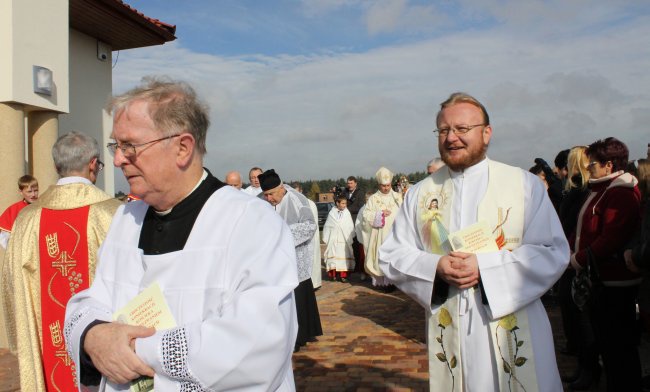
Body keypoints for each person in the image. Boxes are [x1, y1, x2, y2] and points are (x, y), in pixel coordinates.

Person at [64, 79, 299, 391]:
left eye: (129, 146)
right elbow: (94, 297)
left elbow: (258, 343)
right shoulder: (126, 217)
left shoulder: (251, 222)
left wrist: (130, 349)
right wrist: (93, 335)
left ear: (182, 148)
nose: (118, 159)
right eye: (115, 146)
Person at [379, 92, 569, 391]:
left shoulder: (523, 185)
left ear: (486, 132)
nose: (451, 138)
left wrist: (486, 267)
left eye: (462, 129)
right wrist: (436, 266)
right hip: (450, 324)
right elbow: (391, 255)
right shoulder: (420, 193)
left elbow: (553, 251)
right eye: (443, 130)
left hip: (513, 319)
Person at [1, 132, 122, 392]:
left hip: (47, 343)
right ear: (93, 164)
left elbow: (11, 283)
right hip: (103, 349)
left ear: (57, 167)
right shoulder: (112, 213)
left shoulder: (27, 219)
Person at [570, 137, 641, 391]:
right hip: (602, 280)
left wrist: (577, 259)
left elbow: (611, 237)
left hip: (615, 283)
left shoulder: (620, 192)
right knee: (609, 345)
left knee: (618, 347)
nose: (589, 168)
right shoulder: (603, 189)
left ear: (609, 165)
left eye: (593, 164)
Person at [259, 169, 322, 352]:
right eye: (266, 195)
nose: (269, 199)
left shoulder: (297, 200)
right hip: (273, 261)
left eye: (271, 194)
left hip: (295, 258)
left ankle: (299, 336)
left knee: (298, 298)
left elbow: (309, 225)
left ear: (280, 188)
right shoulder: (261, 202)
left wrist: (282, 235)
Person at [556, 146, 591, 365]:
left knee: (579, 314)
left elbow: (570, 220)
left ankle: (586, 361)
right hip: (570, 251)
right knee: (571, 308)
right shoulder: (577, 189)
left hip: (575, 254)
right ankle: (582, 359)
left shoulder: (580, 188)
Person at [363, 167, 403, 287]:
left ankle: (396, 281)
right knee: (382, 257)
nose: (386, 188)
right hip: (380, 234)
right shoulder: (373, 199)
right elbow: (366, 215)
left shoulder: (398, 197)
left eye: (388, 185)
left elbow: (405, 212)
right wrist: (379, 214)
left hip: (396, 233)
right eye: (383, 185)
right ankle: (385, 283)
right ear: (378, 184)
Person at [293, 182, 322, 289]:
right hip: (300, 238)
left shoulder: (309, 203)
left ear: (301, 191)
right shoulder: (293, 203)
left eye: (297, 192)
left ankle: (314, 282)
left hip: (310, 237)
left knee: (312, 259)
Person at [0, 175, 39, 249]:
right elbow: (4, 236)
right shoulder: (14, 209)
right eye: (29, 192)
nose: (33, 194)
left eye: (36, 190)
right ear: (21, 192)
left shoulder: (44, 206)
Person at [322, 195, 355, 282]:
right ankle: (333, 274)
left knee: (343, 257)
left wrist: (346, 231)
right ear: (337, 203)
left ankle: (343, 275)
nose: (344, 205)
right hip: (333, 239)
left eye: (345, 204)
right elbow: (328, 225)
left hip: (344, 239)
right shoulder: (332, 213)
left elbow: (350, 226)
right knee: (333, 256)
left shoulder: (347, 213)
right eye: (343, 203)